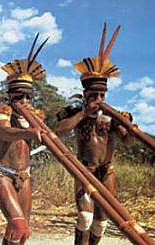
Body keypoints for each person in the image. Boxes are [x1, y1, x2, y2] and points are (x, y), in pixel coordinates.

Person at [55, 23, 135, 245]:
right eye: (93, 95)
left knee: (101, 222)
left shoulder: (113, 117)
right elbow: (58, 132)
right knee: (85, 217)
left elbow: (128, 142)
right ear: (85, 94)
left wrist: (129, 126)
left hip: (107, 171)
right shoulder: (74, 112)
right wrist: (83, 113)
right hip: (84, 170)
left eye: (102, 94)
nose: (98, 99)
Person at [0, 33, 48, 245]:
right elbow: (5, 132)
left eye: (27, 96)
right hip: (2, 174)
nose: (23, 100)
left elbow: (54, 133)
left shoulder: (34, 117)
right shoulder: (1, 112)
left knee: (21, 234)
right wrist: (30, 132)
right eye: (19, 96)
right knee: (18, 225)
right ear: (10, 96)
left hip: (25, 177)